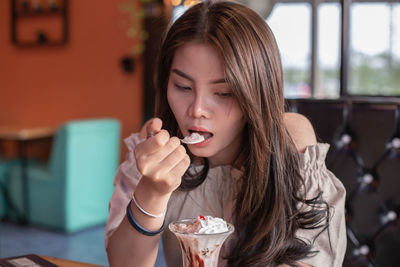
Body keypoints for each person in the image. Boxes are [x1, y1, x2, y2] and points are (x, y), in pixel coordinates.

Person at [105, 1, 346, 266]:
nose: (197, 110)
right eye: (183, 86)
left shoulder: (292, 144)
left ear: (256, 93)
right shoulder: (154, 149)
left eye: (223, 93)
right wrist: (151, 192)